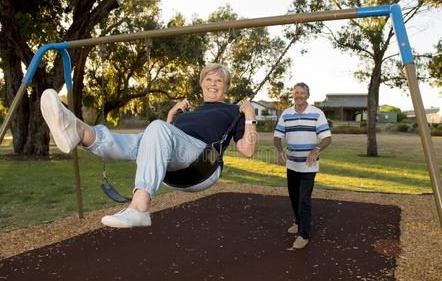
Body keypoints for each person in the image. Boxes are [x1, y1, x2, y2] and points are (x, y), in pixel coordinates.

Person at [40, 63, 257, 228]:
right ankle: (79, 131)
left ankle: (139, 207)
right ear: (201, 83)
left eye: (219, 81)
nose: (213, 84)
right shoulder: (187, 113)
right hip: (174, 169)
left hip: (203, 164)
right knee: (140, 140)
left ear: (226, 87)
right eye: (209, 79)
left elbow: (247, 150)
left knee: (155, 128)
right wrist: (172, 118)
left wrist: (249, 115)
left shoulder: (232, 111)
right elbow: (163, 144)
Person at [273, 82, 331, 249]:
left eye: (302, 93)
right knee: (294, 197)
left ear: (307, 95)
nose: (298, 95)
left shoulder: (317, 113)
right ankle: (298, 222)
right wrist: (279, 150)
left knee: (304, 200)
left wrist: (316, 149)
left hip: (309, 165)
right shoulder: (286, 114)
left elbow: (327, 138)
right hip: (292, 164)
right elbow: (277, 137)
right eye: (296, 92)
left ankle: (304, 235)